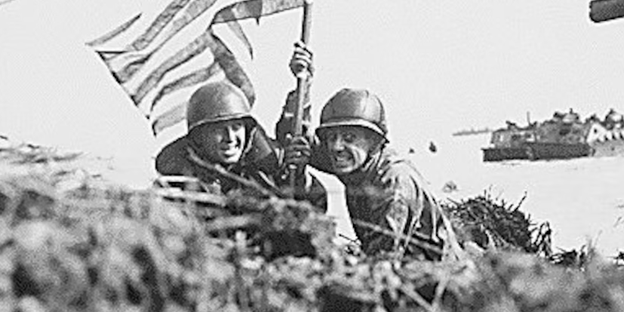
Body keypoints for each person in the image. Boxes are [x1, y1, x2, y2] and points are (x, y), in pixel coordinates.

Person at [283, 88, 461, 261]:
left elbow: (382, 260)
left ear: (374, 142)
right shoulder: (354, 161)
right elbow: (294, 136)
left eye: (349, 138)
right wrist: (303, 90)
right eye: (331, 137)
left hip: (441, 277)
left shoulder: (394, 183)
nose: (336, 147)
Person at [154, 44, 327, 212]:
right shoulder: (177, 182)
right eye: (218, 130)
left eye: (236, 127)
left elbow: (316, 206)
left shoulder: (267, 168)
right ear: (199, 137)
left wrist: (298, 176)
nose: (230, 137)